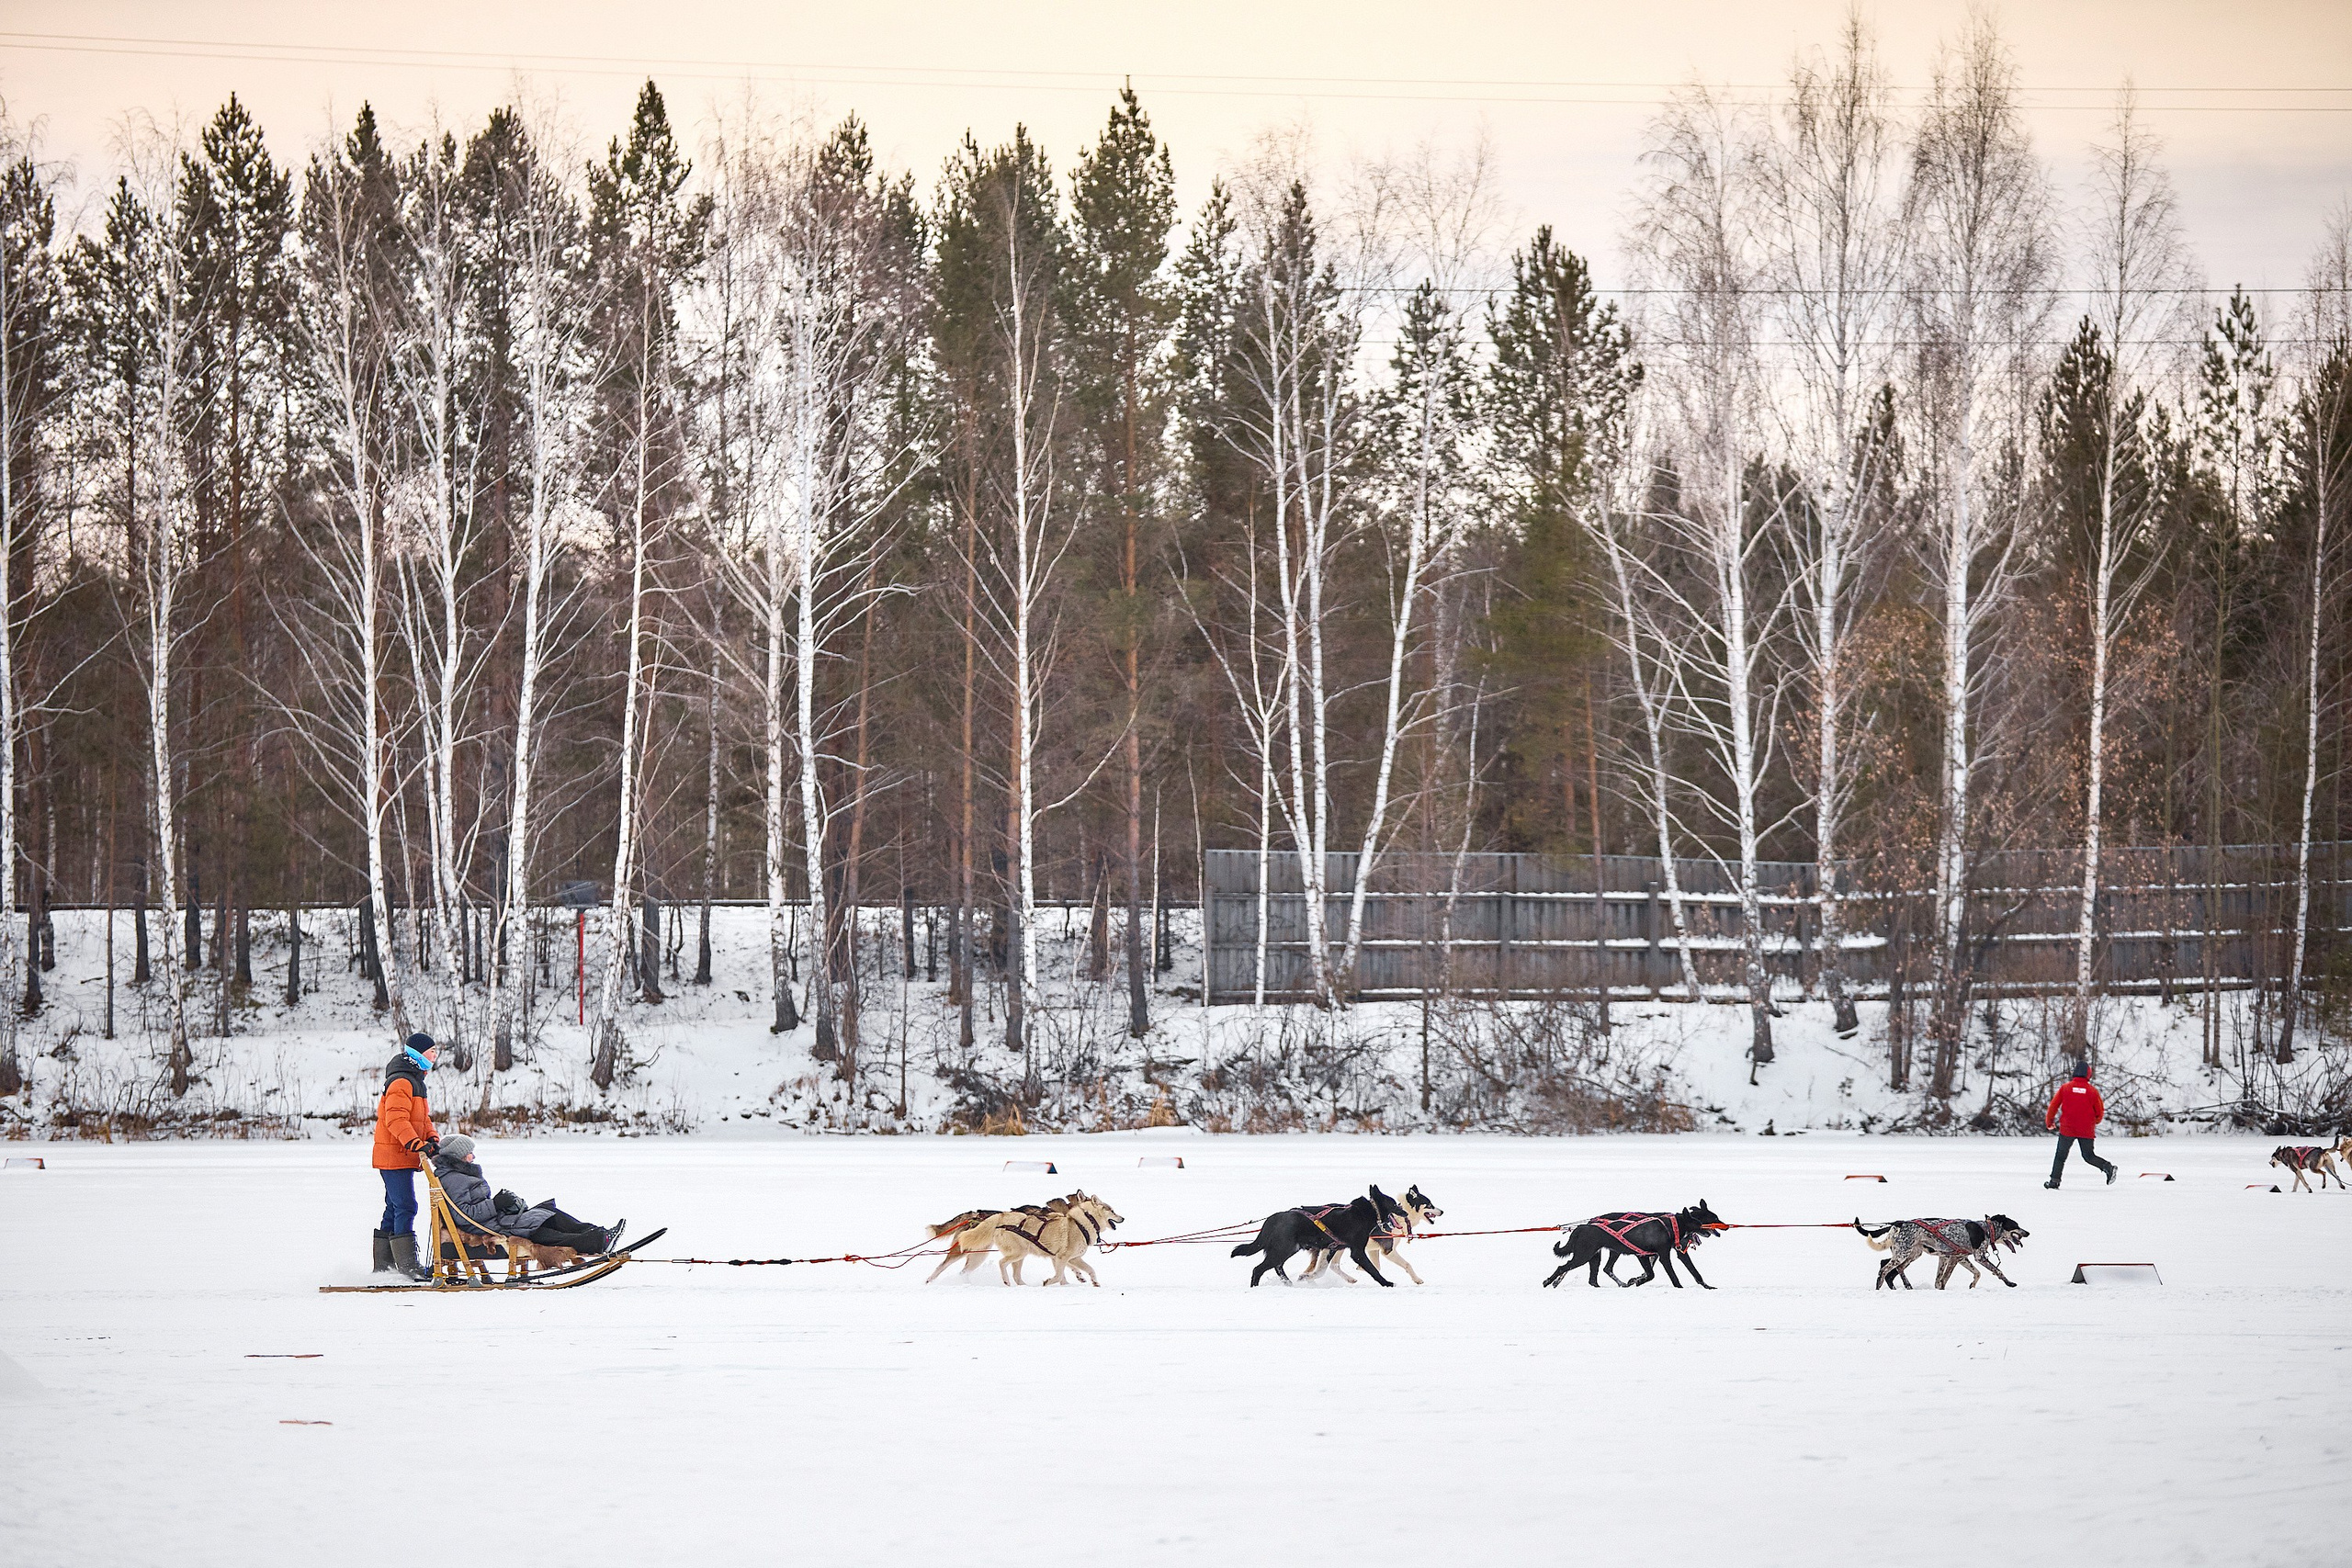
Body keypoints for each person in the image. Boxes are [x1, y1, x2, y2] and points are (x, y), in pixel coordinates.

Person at [429, 1134, 626, 1258]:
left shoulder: (460, 1175)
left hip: (493, 1220)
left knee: (548, 1213)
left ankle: (599, 1234)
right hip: (485, 1227)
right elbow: (463, 1214)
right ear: (458, 1156)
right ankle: (597, 1241)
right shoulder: (454, 1179)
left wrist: (502, 1205)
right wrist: (496, 1205)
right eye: (470, 1153)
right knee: (538, 1230)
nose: (473, 1157)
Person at [372, 1032, 441, 1279]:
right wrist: (415, 1143)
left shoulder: (415, 1080)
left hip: (400, 1154)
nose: (435, 1056)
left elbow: (422, 1119)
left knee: (394, 1207)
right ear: (419, 1054)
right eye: (432, 1051)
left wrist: (431, 1138)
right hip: (394, 1154)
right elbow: (396, 1119)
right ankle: (407, 1268)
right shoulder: (402, 1081)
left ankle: (385, 1268)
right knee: (406, 1206)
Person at [2044, 1060, 2118, 1189]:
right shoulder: (2092, 1091)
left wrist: (2049, 1121)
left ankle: (2054, 1181)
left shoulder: (2065, 1088)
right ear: (2088, 1074)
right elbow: (2099, 1111)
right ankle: (2107, 1167)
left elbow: (2053, 1106)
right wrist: (2094, 1122)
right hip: (2086, 1129)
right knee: (2088, 1156)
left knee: (2060, 1156)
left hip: (2068, 1129)